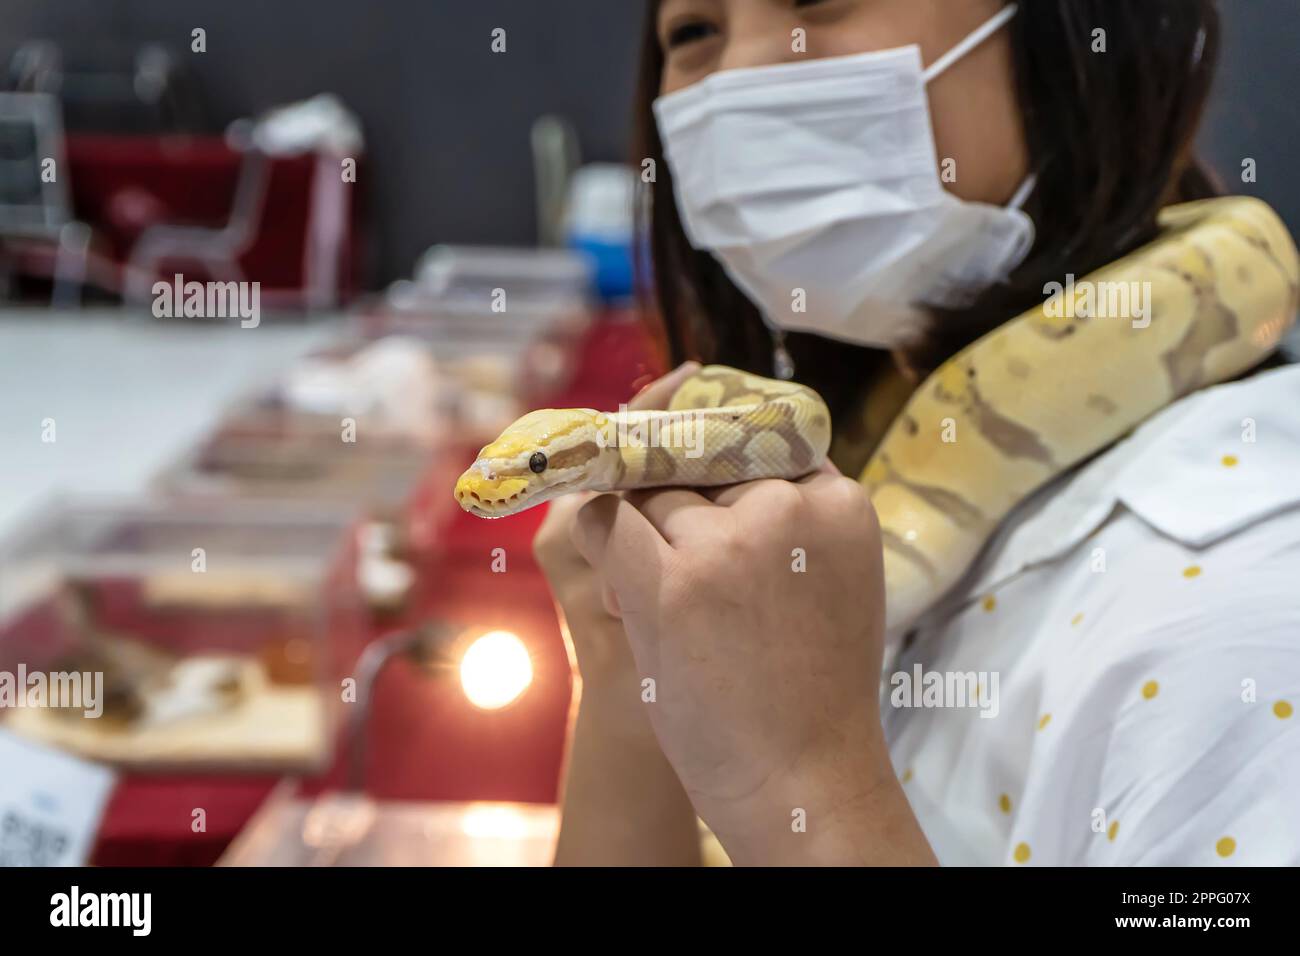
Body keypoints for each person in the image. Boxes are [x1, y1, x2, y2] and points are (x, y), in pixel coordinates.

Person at [539, 0, 1300, 865]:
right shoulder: (838, 451)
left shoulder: (1247, 610)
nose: (745, 72)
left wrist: (815, 790)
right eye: (693, 33)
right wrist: (626, 680)